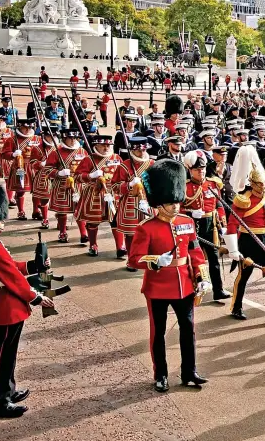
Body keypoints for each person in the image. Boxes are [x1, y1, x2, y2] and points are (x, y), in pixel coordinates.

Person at [0, 182, 54, 418]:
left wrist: (34, 265)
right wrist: (37, 298)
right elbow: (12, 279)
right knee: (1, 355)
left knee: (9, 353)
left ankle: (7, 390)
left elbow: (12, 267)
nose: (2, 222)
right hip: (4, 305)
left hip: (8, 304)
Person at [129, 160, 212, 392]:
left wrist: (202, 276)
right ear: (158, 204)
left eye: (177, 201)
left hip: (184, 285)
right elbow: (134, 259)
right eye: (169, 203)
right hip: (157, 287)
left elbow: (195, 252)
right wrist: (155, 261)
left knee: (188, 329)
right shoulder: (146, 228)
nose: (175, 206)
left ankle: (189, 372)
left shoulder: (187, 222)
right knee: (159, 334)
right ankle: (161, 374)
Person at [224, 145, 265, 324]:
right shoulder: (243, 199)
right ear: (252, 183)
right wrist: (233, 249)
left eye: (264, 183)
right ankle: (236, 306)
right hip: (248, 240)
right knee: (244, 275)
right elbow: (232, 224)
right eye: (259, 184)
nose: (263, 186)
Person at [181, 150, 230, 302]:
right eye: (197, 170)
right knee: (194, 259)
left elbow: (219, 205)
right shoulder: (185, 187)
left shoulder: (213, 184)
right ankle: (194, 288)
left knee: (214, 258)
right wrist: (190, 212)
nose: (201, 172)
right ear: (190, 170)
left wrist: (223, 225)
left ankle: (218, 289)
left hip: (211, 225)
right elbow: (178, 208)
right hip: (193, 224)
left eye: (202, 169)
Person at [74, 134, 124, 257]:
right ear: (96, 145)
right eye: (103, 145)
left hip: (112, 193)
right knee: (93, 221)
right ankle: (93, 245)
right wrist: (90, 176)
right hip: (94, 193)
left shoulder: (117, 157)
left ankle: (120, 247)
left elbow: (122, 174)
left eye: (108, 145)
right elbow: (77, 177)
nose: (106, 147)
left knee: (116, 220)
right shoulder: (88, 159)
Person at [111, 136, 153, 267]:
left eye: (144, 150)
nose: (142, 153)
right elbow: (114, 186)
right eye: (139, 151)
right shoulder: (125, 166)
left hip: (149, 202)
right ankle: (131, 259)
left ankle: (149, 259)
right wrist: (129, 184)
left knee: (150, 232)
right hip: (130, 203)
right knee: (131, 235)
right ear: (132, 151)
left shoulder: (152, 164)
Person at [47, 128, 89, 243]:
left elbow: (87, 167)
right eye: (70, 138)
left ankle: (84, 233)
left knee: (79, 210)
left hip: (78, 184)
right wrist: (58, 173)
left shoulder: (82, 151)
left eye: (74, 138)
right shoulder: (56, 152)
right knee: (62, 210)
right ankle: (62, 232)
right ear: (64, 138)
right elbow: (47, 169)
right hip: (61, 184)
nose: (72, 140)